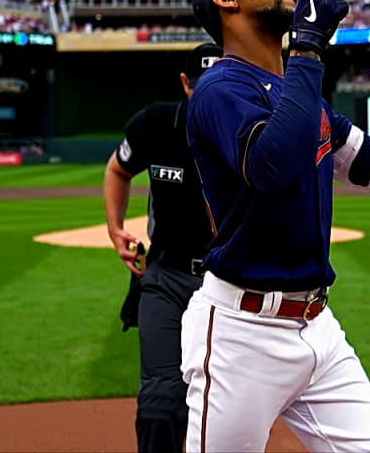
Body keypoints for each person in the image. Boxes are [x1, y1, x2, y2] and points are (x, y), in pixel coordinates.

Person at [183, 0, 370, 452]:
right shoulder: (218, 88)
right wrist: (307, 46)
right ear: (224, 1)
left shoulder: (302, 93)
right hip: (241, 333)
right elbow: (271, 167)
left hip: (318, 326)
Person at [103, 43, 221, 453]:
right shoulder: (156, 123)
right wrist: (115, 228)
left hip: (229, 287)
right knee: (159, 405)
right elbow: (118, 168)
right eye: (203, 84)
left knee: (229, 410)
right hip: (166, 278)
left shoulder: (252, 129)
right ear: (186, 84)